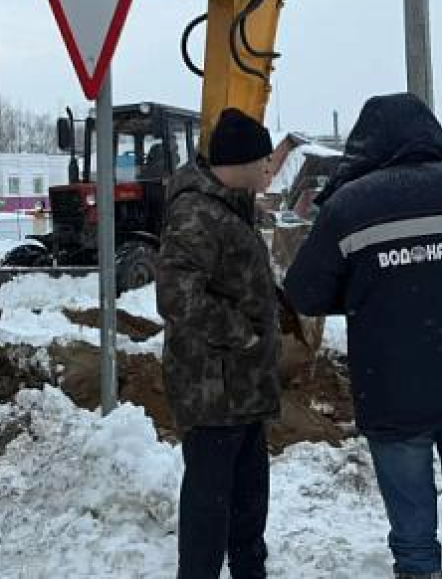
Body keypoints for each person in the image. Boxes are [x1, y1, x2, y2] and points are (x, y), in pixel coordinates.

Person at [283, 93, 442, 579]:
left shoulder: (349, 205)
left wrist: (366, 290)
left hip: (393, 392)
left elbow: (304, 293)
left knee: (413, 535)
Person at [156, 108, 280, 579]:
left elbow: (236, 277)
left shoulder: (231, 205)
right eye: (264, 161)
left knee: (249, 503)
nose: (269, 170)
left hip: (243, 388)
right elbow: (176, 294)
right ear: (242, 161)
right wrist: (243, 332)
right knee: (210, 507)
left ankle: (251, 572)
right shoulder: (196, 213)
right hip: (213, 391)